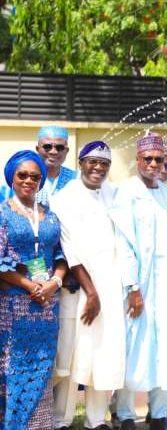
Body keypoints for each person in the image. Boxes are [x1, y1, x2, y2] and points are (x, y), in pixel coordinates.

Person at [50, 142, 126, 430]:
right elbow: (70, 248)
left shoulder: (114, 194)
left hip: (110, 287)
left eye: (104, 163)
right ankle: (61, 419)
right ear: (80, 163)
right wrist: (91, 292)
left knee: (103, 352)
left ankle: (96, 419)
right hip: (78, 289)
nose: (98, 168)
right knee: (72, 353)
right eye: (92, 161)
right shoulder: (65, 198)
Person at [109, 132, 167, 430]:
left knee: (166, 346)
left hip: (166, 286)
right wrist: (133, 288)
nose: (153, 164)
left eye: (159, 160)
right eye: (147, 159)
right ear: (137, 160)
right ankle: (125, 413)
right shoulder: (126, 192)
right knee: (133, 346)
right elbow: (124, 243)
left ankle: (159, 412)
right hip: (138, 286)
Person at [0, 150, 67, 428]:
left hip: (47, 306)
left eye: (35, 176)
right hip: (13, 306)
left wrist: (54, 283)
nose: (29, 180)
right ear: (11, 178)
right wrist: (29, 285)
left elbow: (61, 256)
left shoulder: (50, 216)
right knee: (12, 366)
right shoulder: (3, 213)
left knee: (42, 365)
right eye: (22, 175)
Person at [35, 125, 78, 206]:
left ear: (67, 151)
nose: (53, 152)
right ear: (37, 149)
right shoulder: (23, 178)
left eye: (60, 147)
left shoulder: (77, 179)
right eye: (47, 147)